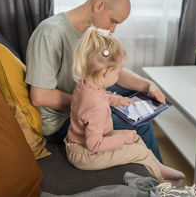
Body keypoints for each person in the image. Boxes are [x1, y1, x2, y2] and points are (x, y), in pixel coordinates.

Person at [25, 0, 165, 161]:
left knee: (136, 97)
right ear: (99, 6)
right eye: (113, 21)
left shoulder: (91, 34)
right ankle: (162, 185)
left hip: (87, 96)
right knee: (141, 124)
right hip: (61, 122)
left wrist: (148, 85)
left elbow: (113, 71)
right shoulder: (50, 34)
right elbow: (39, 96)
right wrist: (96, 102)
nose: (113, 29)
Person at [65, 26, 184, 186]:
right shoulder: (97, 108)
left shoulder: (86, 84)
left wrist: (118, 100)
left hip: (79, 144)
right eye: (118, 71)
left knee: (136, 136)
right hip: (86, 155)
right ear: (107, 72)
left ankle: (159, 167)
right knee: (138, 152)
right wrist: (122, 139)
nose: (119, 74)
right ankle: (161, 183)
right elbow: (94, 145)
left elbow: (99, 97)